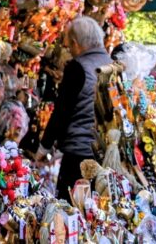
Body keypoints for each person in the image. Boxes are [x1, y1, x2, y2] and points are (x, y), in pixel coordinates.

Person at [40, 16, 111, 198]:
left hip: (79, 156)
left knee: (73, 208)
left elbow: (62, 111)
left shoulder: (78, 67)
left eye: (69, 46)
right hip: (106, 155)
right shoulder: (111, 63)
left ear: (75, 43)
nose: (69, 51)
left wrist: (44, 147)